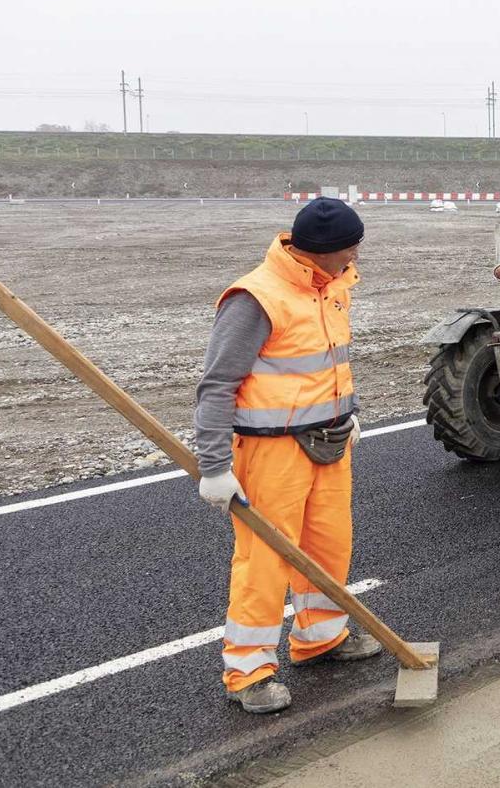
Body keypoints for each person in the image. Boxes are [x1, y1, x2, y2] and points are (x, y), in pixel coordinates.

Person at [194, 197, 380, 714]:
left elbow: (328, 360)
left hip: (331, 440)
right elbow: (217, 386)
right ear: (321, 253)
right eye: (349, 250)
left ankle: (320, 638)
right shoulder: (256, 298)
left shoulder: (333, 286)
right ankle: (249, 670)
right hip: (272, 451)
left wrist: (349, 411)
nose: (356, 258)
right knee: (266, 561)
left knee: (327, 546)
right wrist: (213, 465)